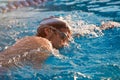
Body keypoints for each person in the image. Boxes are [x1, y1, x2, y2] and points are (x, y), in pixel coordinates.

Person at [0, 17, 119, 69]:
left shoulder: (29, 40)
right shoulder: (43, 42)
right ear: (48, 31)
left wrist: (101, 28)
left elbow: (73, 34)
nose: (66, 43)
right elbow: (39, 71)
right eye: (64, 37)